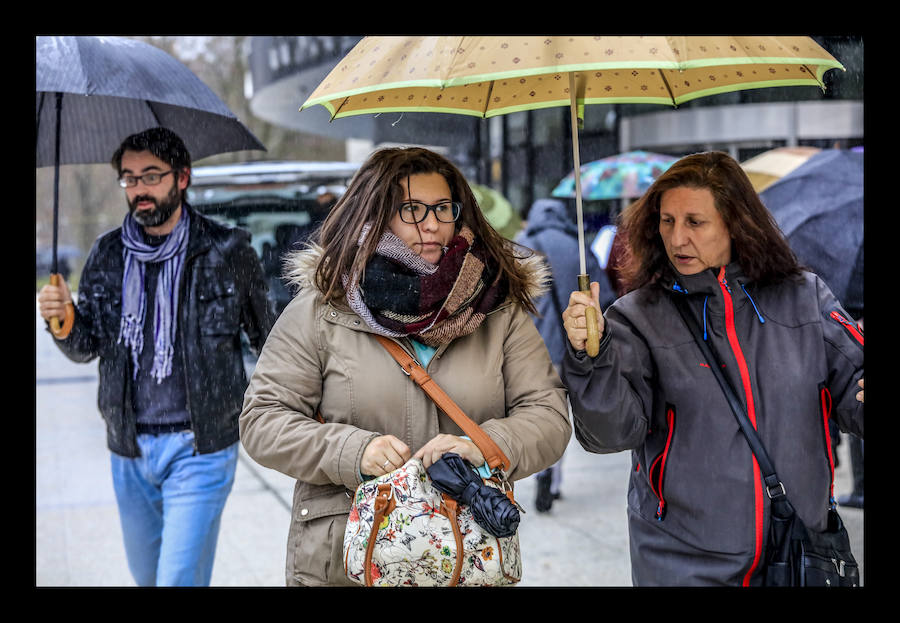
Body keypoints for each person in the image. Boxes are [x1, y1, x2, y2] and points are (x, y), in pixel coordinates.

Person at [239, 146, 572, 587]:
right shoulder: (321, 309)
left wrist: (482, 445)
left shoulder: (497, 309)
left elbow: (548, 416)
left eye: (442, 208)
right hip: (346, 561)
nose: (432, 223)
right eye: (411, 209)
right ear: (375, 216)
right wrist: (354, 452)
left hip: (463, 556)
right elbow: (263, 421)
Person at [559, 151, 864, 587]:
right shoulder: (636, 317)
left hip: (798, 551)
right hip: (682, 562)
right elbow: (610, 434)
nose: (677, 238)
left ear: (736, 223)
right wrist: (591, 358)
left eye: (694, 222)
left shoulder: (803, 297)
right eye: (667, 221)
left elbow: (854, 385)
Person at [37, 127, 274, 586]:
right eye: (129, 178)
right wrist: (62, 318)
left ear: (182, 177)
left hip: (201, 446)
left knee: (175, 581)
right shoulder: (107, 254)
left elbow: (270, 340)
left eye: (151, 175)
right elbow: (87, 346)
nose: (139, 189)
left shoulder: (227, 250)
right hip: (128, 448)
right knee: (149, 579)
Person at [516, 198, 614, 512]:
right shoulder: (578, 248)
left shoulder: (521, 247)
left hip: (530, 350)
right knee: (560, 416)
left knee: (536, 415)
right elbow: (606, 295)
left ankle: (540, 469)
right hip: (571, 348)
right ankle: (554, 479)